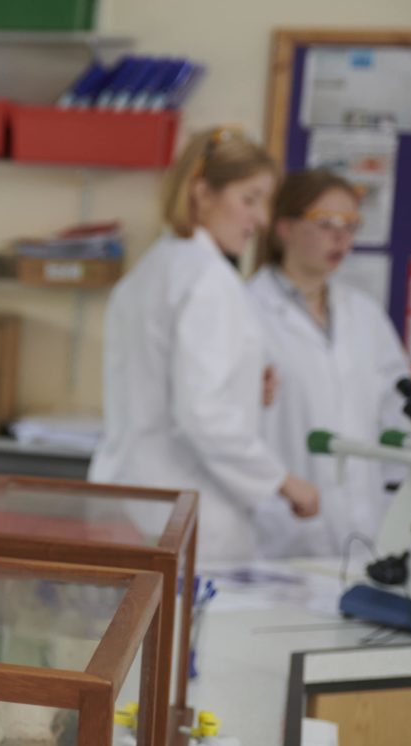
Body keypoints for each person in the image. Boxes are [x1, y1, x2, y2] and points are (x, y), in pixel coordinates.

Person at [90, 126, 319, 562]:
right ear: (202, 193)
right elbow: (202, 413)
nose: (262, 220)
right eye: (249, 199)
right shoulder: (208, 279)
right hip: (187, 506)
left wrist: (243, 384)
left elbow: (160, 383)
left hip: (134, 494)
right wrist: (283, 482)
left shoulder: (154, 268)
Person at [250, 169, 411, 559]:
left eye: (351, 225)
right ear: (285, 228)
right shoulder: (246, 310)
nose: (341, 237)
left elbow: (398, 416)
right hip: (283, 529)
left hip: (368, 529)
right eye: (326, 224)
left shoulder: (365, 315)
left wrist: (398, 502)